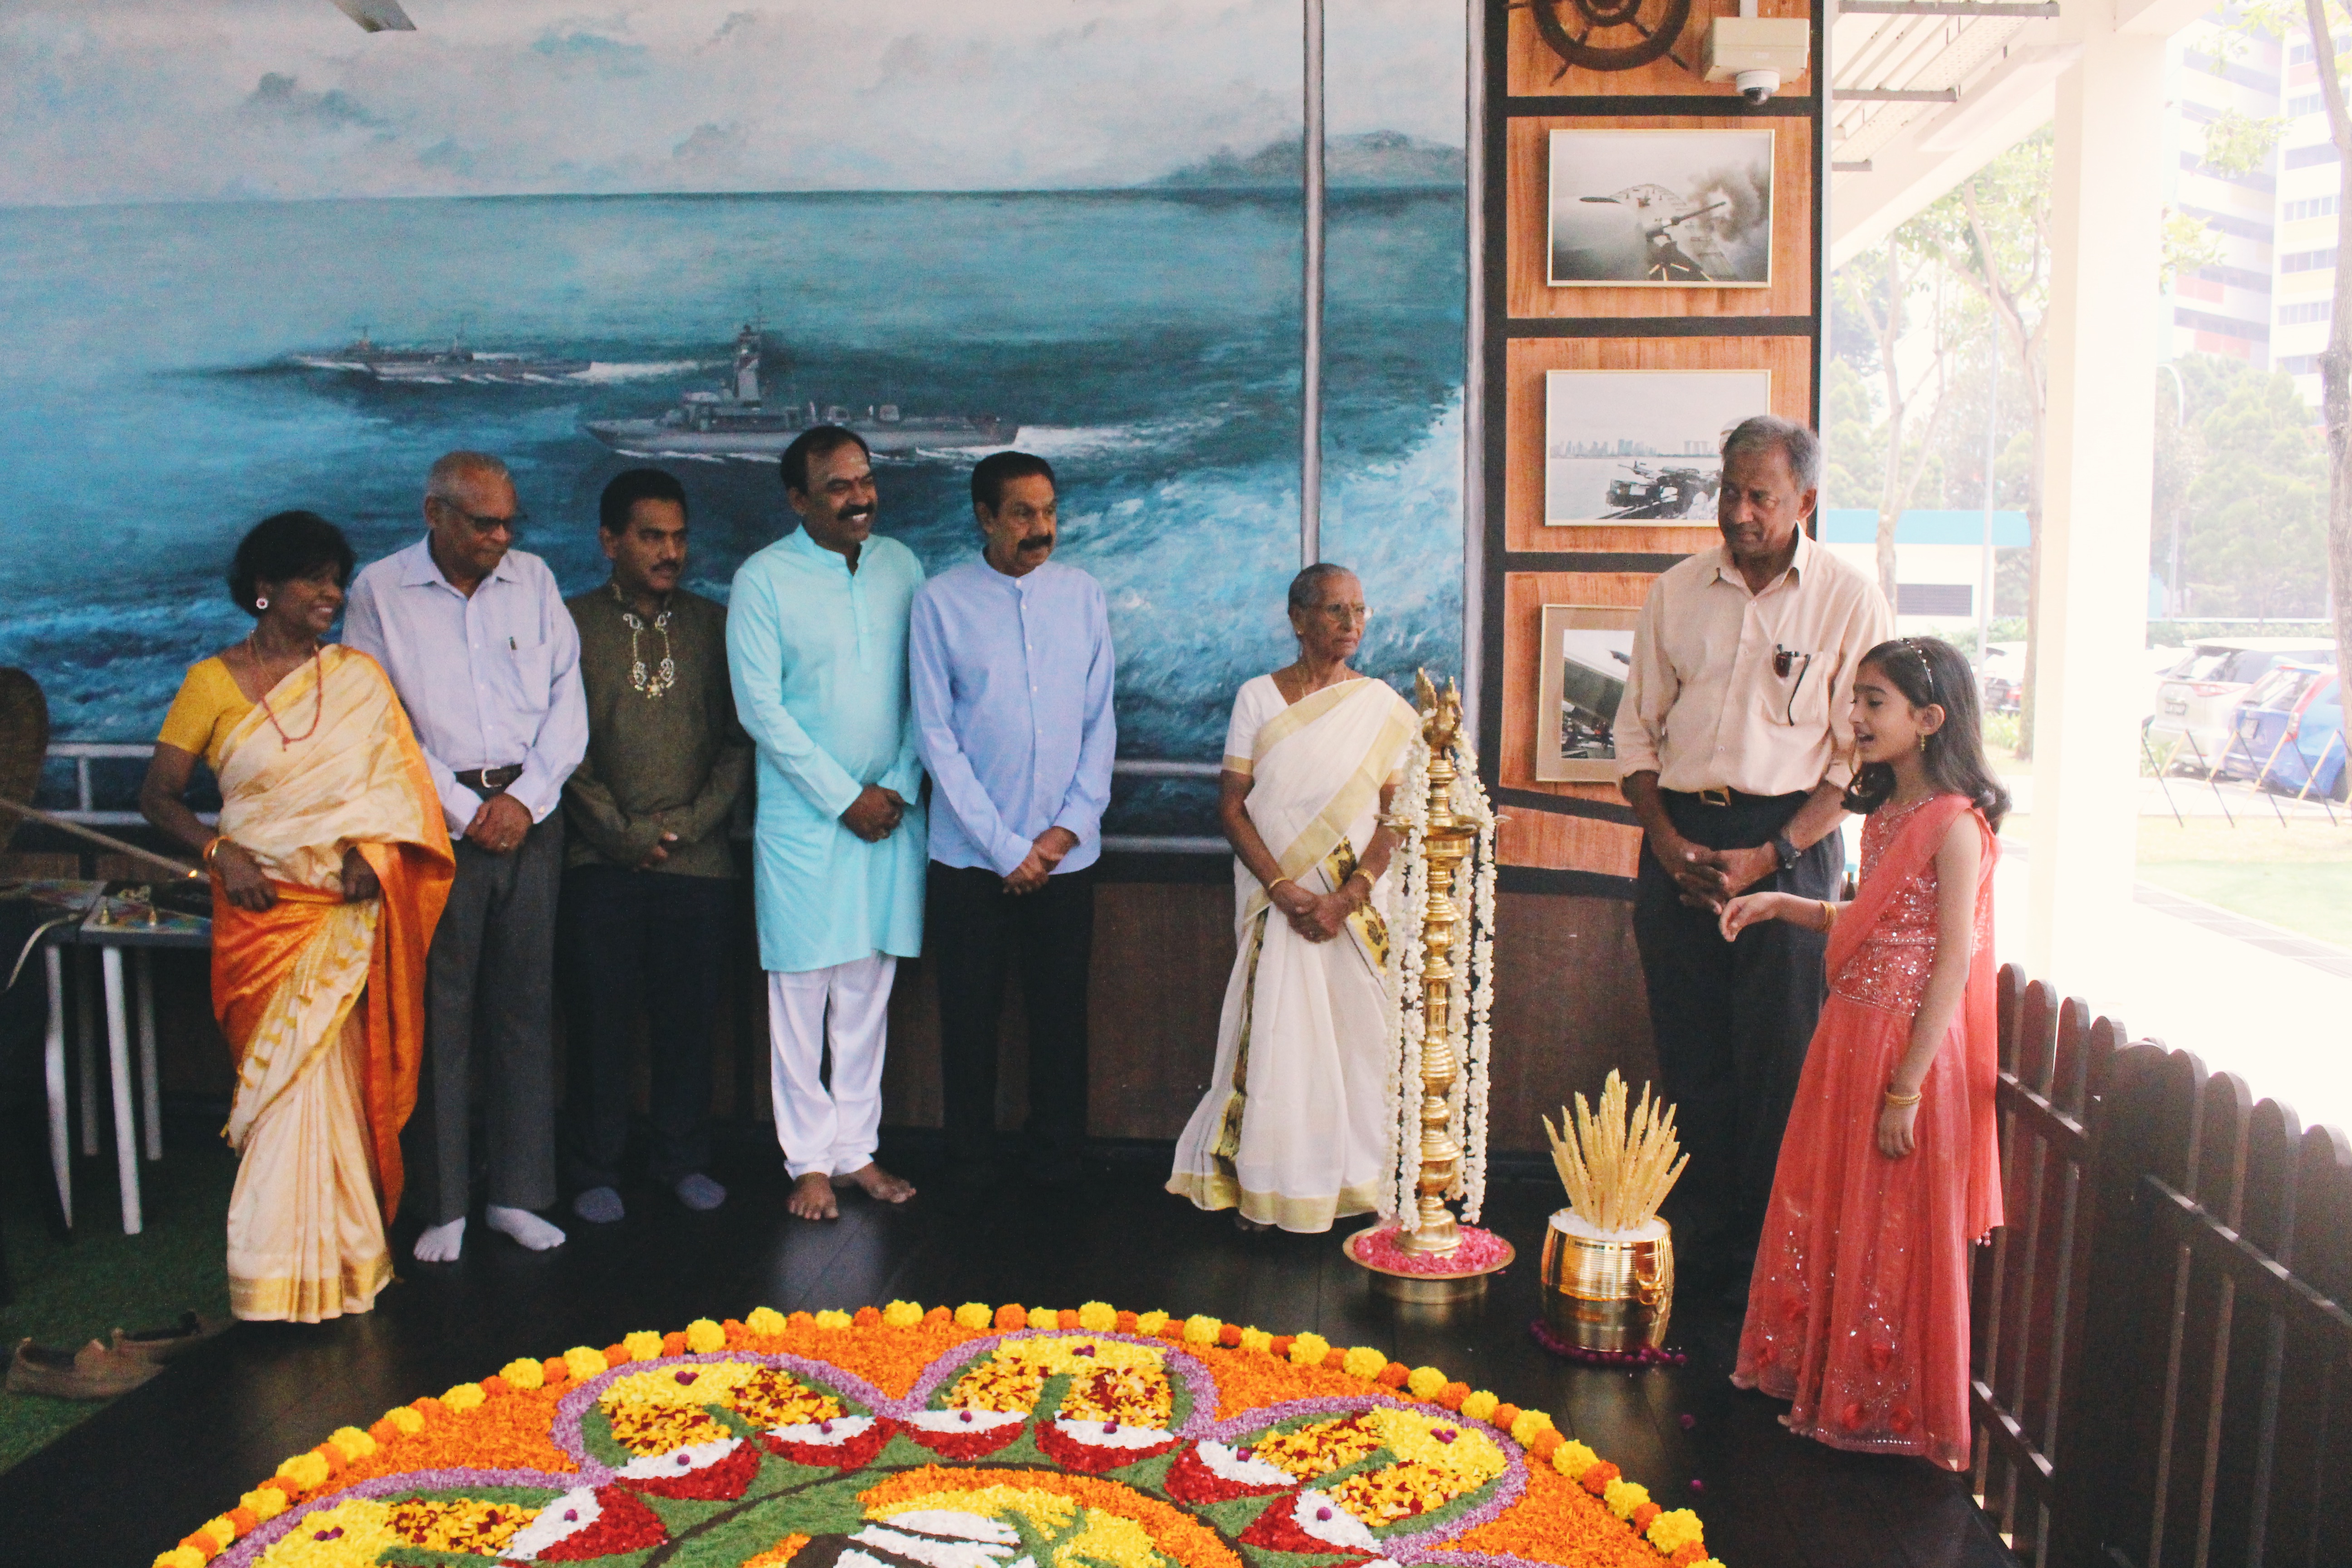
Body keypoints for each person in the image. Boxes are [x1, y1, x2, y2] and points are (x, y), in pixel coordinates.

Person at [139, 512, 453, 1320]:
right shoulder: (210, 683)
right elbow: (158, 796)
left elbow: (398, 791)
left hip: (342, 921)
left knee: (338, 1095)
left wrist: (368, 857)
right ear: (262, 590)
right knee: (280, 1103)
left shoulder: (356, 678)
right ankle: (270, 1287)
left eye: (335, 579)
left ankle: (349, 1273)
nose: (331, 594)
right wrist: (217, 852)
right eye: (312, 579)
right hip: (259, 920)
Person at [1616, 414, 1893, 1293]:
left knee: (1778, 1062)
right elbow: (1634, 735)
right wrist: (1665, 843)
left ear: (1806, 501)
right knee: (1690, 1058)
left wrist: (1769, 857)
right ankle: (1696, 1252)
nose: (1738, 512)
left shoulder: (1849, 598)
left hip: (1791, 852)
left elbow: (1856, 762)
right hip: (1679, 845)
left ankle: (1769, 1273)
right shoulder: (1678, 590)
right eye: (1728, 492)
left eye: (1760, 496)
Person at [1721, 636, 2007, 1470]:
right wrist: (1784, 903)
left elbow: (1950, 960)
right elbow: (1870, 923)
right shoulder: (1884, 817)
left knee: (1889, 1217)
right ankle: (1822, 1376)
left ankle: (1878, 1397)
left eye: (1873, 702)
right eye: (1855, 700)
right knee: (1830, 1200)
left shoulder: (1956, 826)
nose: (1855, 717)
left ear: (1929, 719)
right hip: (1848, 1030)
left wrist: (1908, 1090)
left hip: (1904, 1052)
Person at [343, 451, 586, 1263]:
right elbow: (377, 722)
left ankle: (519, 1195)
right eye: (483, 522)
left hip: (533, 815)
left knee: (524, 1007)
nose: (500, 535)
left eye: (508, 520)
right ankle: (442, 1203)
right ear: (433, 515)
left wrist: (526, 800)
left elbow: (568, 701)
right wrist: (466, 809)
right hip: (436, 826)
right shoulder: (379, 592)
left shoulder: (537, 580)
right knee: (439, 1014)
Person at [1167, 564, 1418, 1232]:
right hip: (1281, 902)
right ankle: (1270, 1185)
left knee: (1360, 1043)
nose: (1351, 625)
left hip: (1352, 910)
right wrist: (1284, 891)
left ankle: (1364, 1185)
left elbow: (1399, 814)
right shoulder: (1258, 697)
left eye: (1360, 611)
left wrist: (1351, 895)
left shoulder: (1382, 708)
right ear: (1298, 618)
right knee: (1280, 1038)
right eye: (1336, 611)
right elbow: (1232, 806)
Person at [727, 426, 925, 1222]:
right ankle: (807, 1161)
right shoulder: (764, 580)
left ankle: (857, 1153)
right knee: (803, 993)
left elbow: (927, 693)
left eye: (865, 480)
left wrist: (900, 784)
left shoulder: (902, 567)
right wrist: (845, 797)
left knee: (868, 990)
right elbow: (760, 710)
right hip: (811, 824)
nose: (859, 497)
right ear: (799, 501)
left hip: (892, 815)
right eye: (838, 486)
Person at [911, 452, 1116, 1187]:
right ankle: (970, 1169)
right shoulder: (940, 602)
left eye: (1050, 511)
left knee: (1061, 1023)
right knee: (970, 1024)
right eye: (1024, 514)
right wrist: (1005, 847)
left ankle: (1058, 1165)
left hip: (1067, 859)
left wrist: (1063, 833)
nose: (1042, 528)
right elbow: (936, 737)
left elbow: (1100, 725)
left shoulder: (1084, 596)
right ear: (986, 518)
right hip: (970, 861)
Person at [559, 468, 751, 1224]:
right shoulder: (569, 625)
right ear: (609, 542)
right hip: (599, 863)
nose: (670, 552)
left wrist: (695, 823)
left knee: (689, 1021)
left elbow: (740, 740)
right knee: (599, 1024)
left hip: (699, 863)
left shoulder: (714, 623)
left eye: (678, 537)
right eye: (651, 537)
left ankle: (682, 1161)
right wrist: (623, 834)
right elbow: (560, 746)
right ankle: (595, 1167)